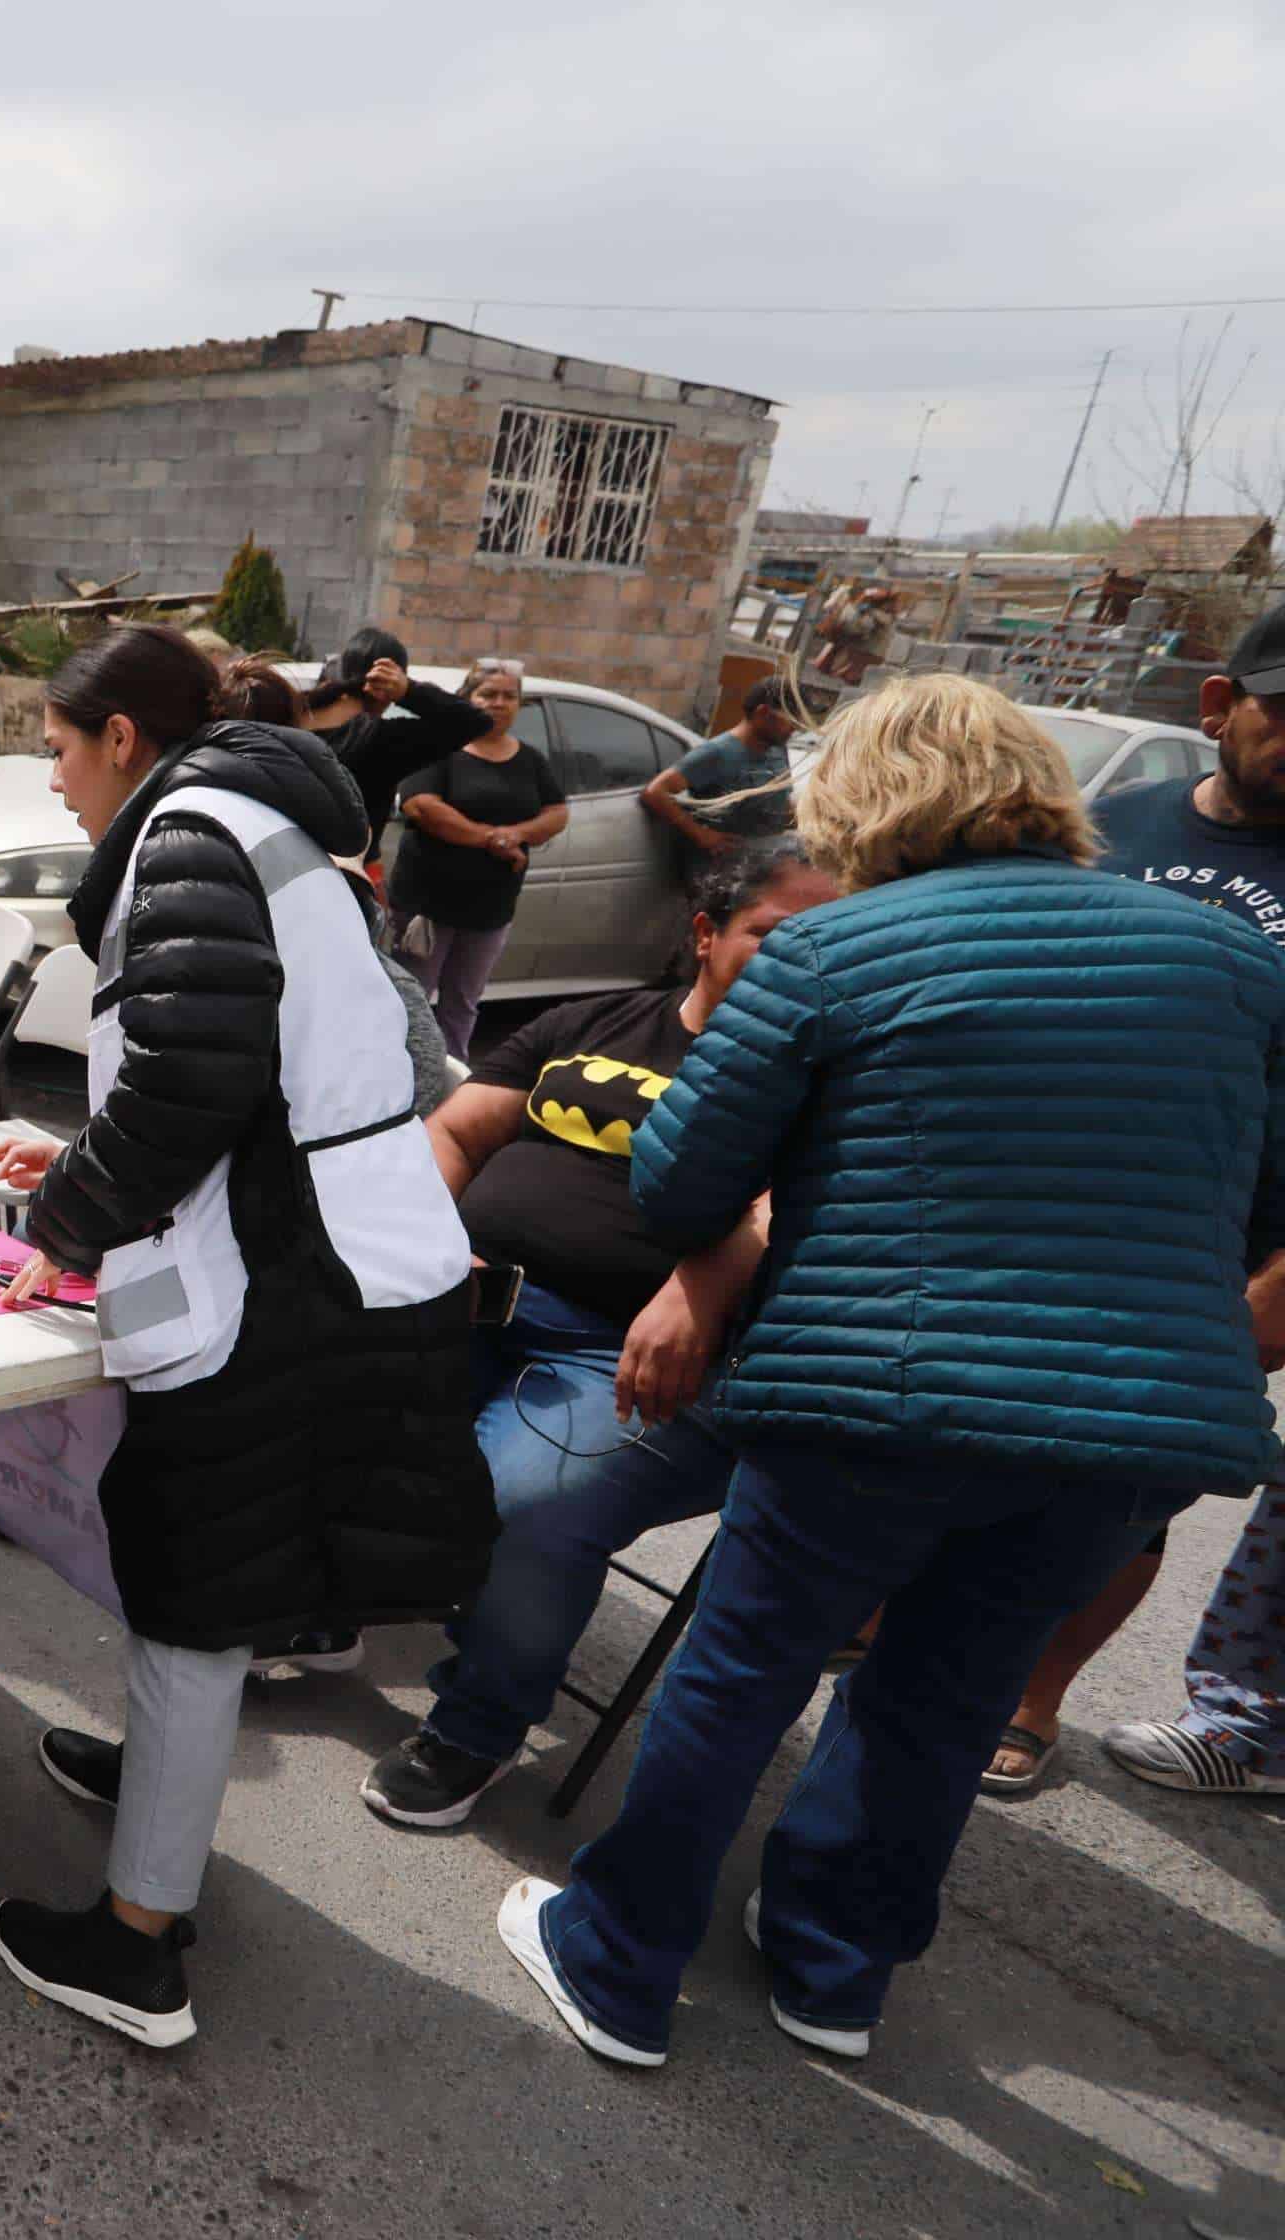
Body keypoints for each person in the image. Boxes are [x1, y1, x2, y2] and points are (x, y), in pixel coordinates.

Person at [500, 674, 1285, 2071]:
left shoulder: (836, 951)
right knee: (945, 1696)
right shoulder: (1235, 960)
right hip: (1131, 1426)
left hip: (881, 1397)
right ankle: (833, 1973)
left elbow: (682, 1182)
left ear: (857, 801)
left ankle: (616, 1965)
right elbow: (1261, 1201)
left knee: (740, 1673)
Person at [0, 624, 493, 2050]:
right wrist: (90, 1173)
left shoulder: (188, 831)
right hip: (331, 1247)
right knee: (203, 1567)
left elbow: (194, 1075)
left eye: (63, 751)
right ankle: (160, 1785)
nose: (58, 781)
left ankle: (138, 1944)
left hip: (283, 1273)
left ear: (122, 741)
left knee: (196, 1587)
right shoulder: (261, 821)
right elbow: (241, 1064)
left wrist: (70, 1219)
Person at [357, 841, 841, 1830]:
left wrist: (699, 1290)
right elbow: (454, 1132)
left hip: (629, 1352)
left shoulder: (828, 1079)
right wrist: (431, 1241)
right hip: (471, 1298)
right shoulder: (595, 1020)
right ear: (705, 934)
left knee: (522, 1497)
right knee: (313, 1368)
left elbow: (775, 1210)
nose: (806, 960)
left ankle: (479, 1724)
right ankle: (326, 1600)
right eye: (776, 936)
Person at [1043, 598, 1285, 1800]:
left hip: (1218, 1249)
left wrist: (1276, 1286)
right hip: (1035, 1204)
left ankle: (1029, 1699)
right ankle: (910, 1648)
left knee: (1124, 1498)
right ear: (1219, 707)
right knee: (967, 1455)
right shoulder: (1106, 825)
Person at [389, 660, 569, 1057]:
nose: (499, 703)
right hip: (429, 906)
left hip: (490, 911)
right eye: (488, 694)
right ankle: (398, 1079)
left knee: (463, 1004)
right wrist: (490, 839)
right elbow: (421, 806)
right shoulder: (441, 749)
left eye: (510, 696)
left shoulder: (531, 760)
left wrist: (516, 835)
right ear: (466, 698)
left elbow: (558, 812)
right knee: (412, 1000)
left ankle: (451, 1081)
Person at [295, 626, 492, 864]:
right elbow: (477, 721)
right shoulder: (380, 741)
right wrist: (409, 691)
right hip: (341, 881)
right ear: (386, 687)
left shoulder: (285, 716)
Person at [642, 676, 806, 857]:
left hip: (768, 857)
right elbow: (655, 792)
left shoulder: (777, 749)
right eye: (791, 721)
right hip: (727, 867)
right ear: (763, 713)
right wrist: (702, 835)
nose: (795, 729)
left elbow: (783, 804)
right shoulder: (717, 753)